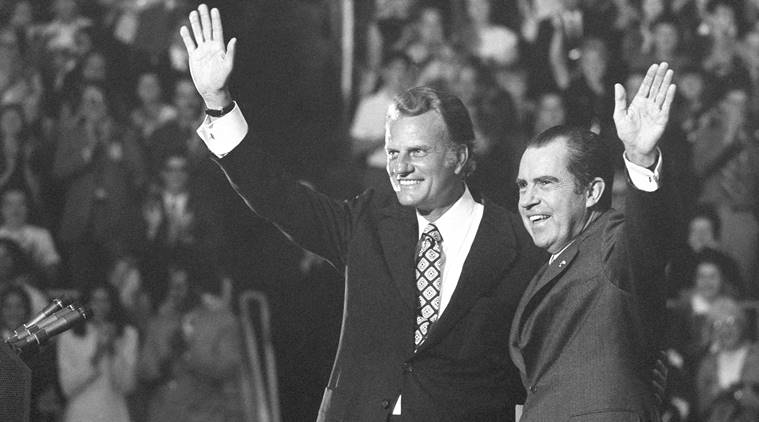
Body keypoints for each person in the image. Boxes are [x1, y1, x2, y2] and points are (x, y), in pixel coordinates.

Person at [179, 5, 543, 421]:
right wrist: (218, 102)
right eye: (392, 152)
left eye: (417, 152)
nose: (401, 167)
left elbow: (535, 367)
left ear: (459, 157)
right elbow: (277, 196)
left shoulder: (515, 245)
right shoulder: (368, 222)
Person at [509, 62, 676, 420]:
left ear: (592, 192)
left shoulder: (611, 245)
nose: (528, 200)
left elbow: (647, 238)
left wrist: (640, 158)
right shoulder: (549, 264)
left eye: (546, 183)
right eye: (523, 186)